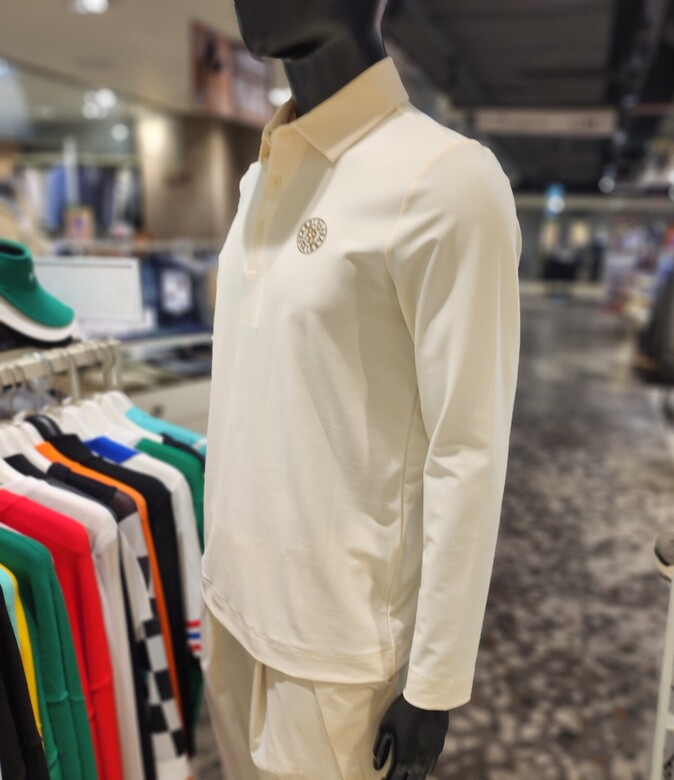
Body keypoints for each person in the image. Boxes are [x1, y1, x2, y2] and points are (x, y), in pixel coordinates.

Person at [201, 1, 522, 777]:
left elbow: (467, 446)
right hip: (230, 604)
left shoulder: (448, 181)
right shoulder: (258, 180)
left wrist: (435, 679)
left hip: (338, 648)